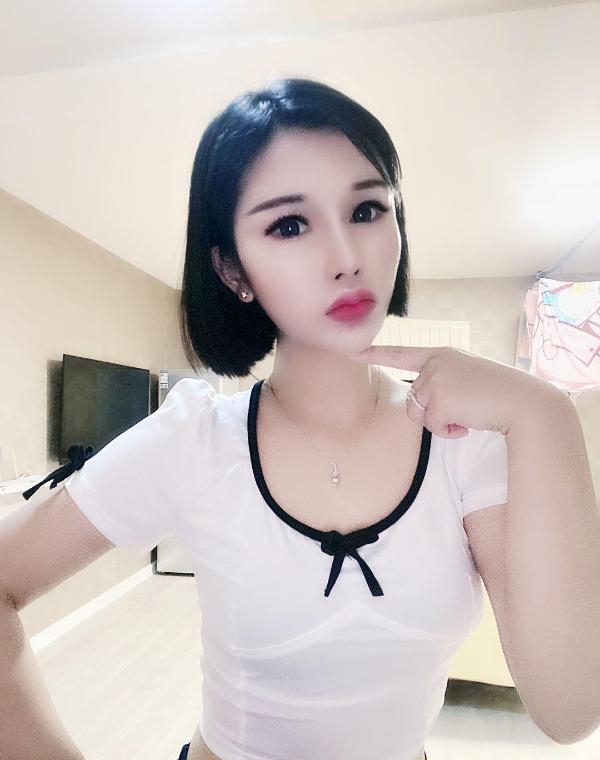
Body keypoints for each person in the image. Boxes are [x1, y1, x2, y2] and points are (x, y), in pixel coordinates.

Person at [27, 77, 508, 760]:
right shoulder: (195, 438)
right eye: (289, 225)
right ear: (232, 271)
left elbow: (569, 708)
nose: (346, 259)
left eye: (367, 209)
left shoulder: (465, 438)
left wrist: (543, 412)